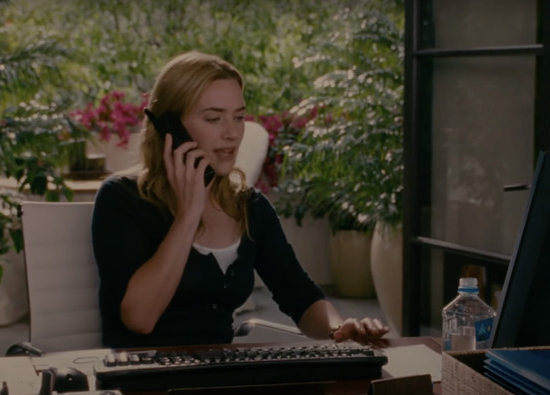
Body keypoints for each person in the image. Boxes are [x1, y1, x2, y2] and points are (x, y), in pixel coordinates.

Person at [91, 51, 389, 348]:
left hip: (220, 381)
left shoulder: (248, 206)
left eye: (239, 117)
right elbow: (139, 319)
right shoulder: (121, 198)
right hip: (142, 384)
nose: (232, 133)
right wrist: (188, 215)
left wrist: (340, 328)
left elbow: (301, 297)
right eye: (213, 118)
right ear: (169, 126)